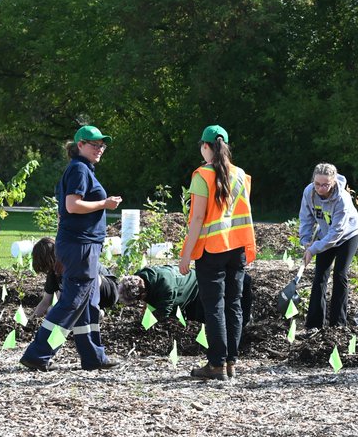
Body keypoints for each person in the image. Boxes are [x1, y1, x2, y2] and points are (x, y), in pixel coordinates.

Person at [19, 126, 122, 371]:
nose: (99, 149)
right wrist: (104, 204)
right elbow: (72, 206)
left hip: (81, 244)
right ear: (80, 146)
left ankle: (93, 357)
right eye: (94, 144)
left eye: (102, 145)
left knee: (85, 303)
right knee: (71, 301)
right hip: (80, 246)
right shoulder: (78, 169)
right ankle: (38, 354)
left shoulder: (81, 169)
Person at [179, 124, 256, 381]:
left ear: (205, 146)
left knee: (214, 306)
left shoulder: (202, 175)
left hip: (212, 250)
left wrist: (185, 255)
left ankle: (216, 365)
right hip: (237, 249)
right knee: (234, 305)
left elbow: (198, 218)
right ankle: (231, 362)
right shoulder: (241, 175)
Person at [298, 163, 358, 329]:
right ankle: (314, 324)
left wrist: (314, 249)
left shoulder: (342, 198)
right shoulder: (309, 192)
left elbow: (336, 233)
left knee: (339, 274)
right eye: (317, 184)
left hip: (347, 235)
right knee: (320, 275)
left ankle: (338, 324)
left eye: (325, 184)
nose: (320, 188)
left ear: (333, 182)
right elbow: (306, 219)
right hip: (325, 234)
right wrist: (306, 241)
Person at [117, 266, 257, 328]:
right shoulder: (140, 275)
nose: (140, 303)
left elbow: (162, 315)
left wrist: (144, 326)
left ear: (142, 293)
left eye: (139, 300)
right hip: (180, 285)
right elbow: (149, 302)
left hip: (196, 288)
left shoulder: (166, 288)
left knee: (200, 318)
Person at [30, 236, 118, 317]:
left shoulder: (73, 262)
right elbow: (46, 301)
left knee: (61, 307)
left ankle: (92, 311)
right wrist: (32, 319)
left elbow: (65, 300)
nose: (49, 271)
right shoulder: (53, 271)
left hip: (108, 290)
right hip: (86, 295)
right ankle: (94, 312)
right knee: (52, 310)